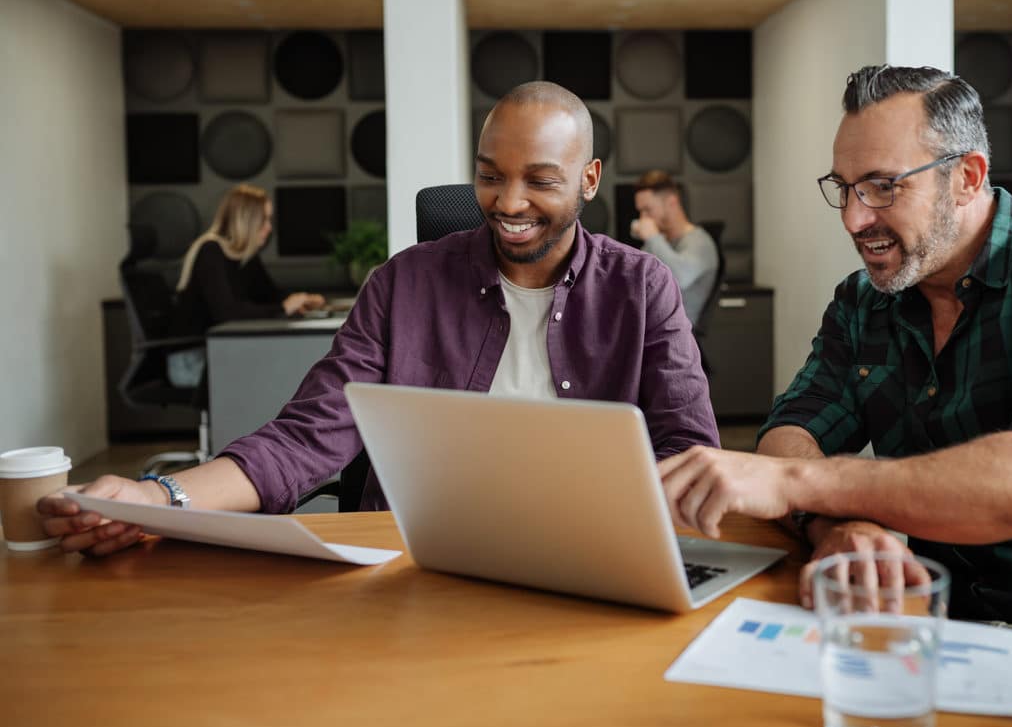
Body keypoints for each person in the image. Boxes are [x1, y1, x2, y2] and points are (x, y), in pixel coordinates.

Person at [658, 65, 1012, 727]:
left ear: (966, 175)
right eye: (844, 188)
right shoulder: (863, 304)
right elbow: (791, 430)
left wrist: (798, 482)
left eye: (882, 186)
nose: (855, 218)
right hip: (951, 631)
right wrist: (841, 527)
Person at [41, 81, 718, 553]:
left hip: (590, 549)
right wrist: (159, 499)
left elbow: (690, 452)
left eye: (540, 179)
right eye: (489, 175)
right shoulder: (404, 283)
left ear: (589, 179)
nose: (509, 202)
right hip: (420, 559)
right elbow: (307, 437)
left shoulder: (642, 286)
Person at [165, 184, 326, 385]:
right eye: (264, 220)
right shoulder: (211, 251)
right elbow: (228, 313)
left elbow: (270, 294)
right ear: (247, 221)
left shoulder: (246, 257)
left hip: (220, 352)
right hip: (192, 360)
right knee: (276, 376)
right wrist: (284, 308)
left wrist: (303, 300)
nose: (269, 227)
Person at [630, 170, 720, 327]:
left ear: (672, 202)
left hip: (675, 337)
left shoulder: (700, 242)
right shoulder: (662, 241)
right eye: (640, 211)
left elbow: (678, 278)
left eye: (648, 210)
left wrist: (652, 237)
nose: (643, 218)